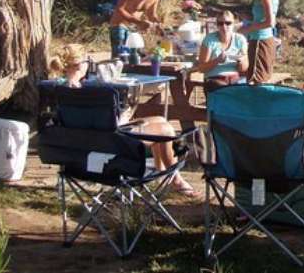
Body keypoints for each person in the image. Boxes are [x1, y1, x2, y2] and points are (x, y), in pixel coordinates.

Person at [47, 44, 198, 197]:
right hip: (112, 145)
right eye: (88, 62)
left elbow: (88, 124)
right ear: (80, 65)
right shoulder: (87, 93)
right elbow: (105, 126)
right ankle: (175, 179)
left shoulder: (61, 90)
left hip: (82, 146)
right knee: (165, 130)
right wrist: (125, 115)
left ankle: (165, 174)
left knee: (159, 120)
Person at [109, 0, 174, 59]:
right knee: (120, 58)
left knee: (134, 58)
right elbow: (119, 9)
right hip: (119, 25)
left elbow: (151, 14)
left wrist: (159, 27)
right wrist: (139, 22)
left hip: (133, 29)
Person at [237, 0, 279, 84]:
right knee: (261, 79)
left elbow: (270, 21)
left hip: (260, 40)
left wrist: (248, 28)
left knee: (255, 81)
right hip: (266, 39)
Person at [192, 10, 249, 89]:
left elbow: (244, 68)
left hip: (234, 79)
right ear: (217, 25)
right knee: (224, 90)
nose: (224, 27)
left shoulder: (240, 39)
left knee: (244, 91)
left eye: (228, 23)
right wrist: (217, 60)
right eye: (220, 23)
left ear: (233, 24)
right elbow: (201, 68)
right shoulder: (209, 39)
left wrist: (241, 61)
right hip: (215, 79)